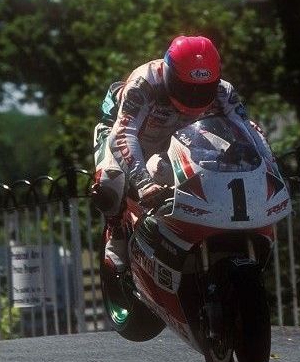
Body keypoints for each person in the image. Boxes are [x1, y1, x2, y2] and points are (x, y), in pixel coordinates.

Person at [91, 35, 275, 276]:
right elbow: (124, 134)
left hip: (179, 139)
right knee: (110, 181)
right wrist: (144, 184)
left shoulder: (223, 92)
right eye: (186, 88)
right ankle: (115, 232)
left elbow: (248, 130)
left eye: (203, 89)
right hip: (125, 132)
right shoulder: (143, 84)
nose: (195, 97)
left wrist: (272, 169)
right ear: (169, 74)